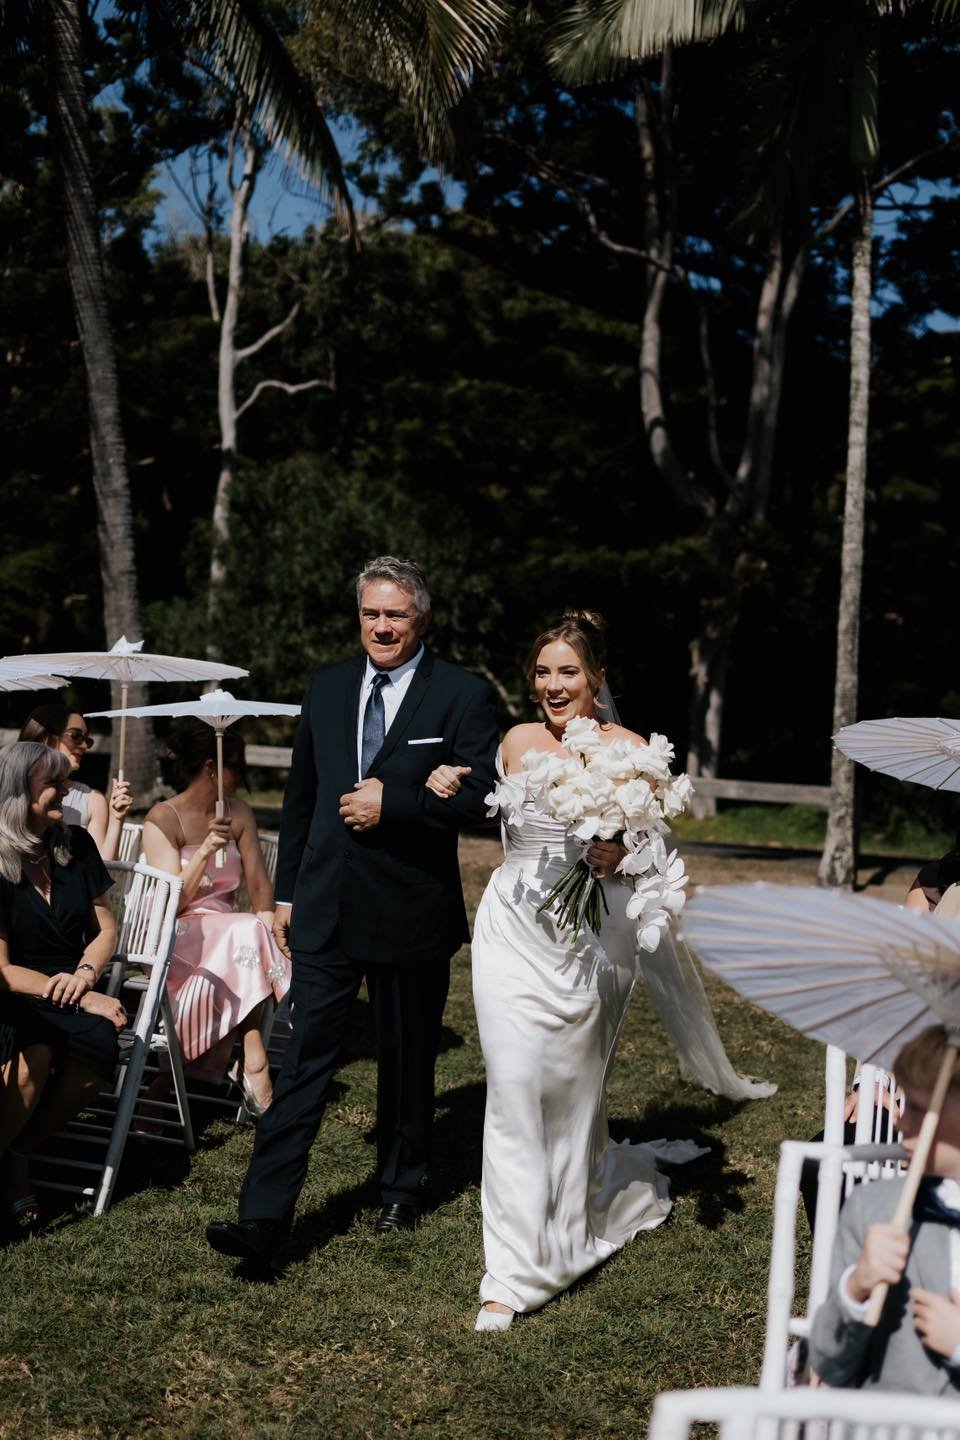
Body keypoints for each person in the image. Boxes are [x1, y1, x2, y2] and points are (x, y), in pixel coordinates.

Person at [424, 612, 716, 1332]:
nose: (554, 686)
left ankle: (585, 1191)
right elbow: (478, 803)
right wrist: (439, 779)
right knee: (517, 1087)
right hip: (515, 928)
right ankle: (513, 1271)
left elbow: (653, 862)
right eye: (544, 672)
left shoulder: (637, 755)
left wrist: (621, 855)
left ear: (597, 680)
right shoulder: (519, 742)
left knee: (576, 1093)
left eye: (569, 673)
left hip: (593, 939)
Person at [205, 556, 499, 1268]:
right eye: (372, 613)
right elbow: (304, 795)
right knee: (304, 1061)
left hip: (409, 912)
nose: (383, 626)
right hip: (327, 910)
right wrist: (285, 895)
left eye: (396, 615)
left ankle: (400, 1185)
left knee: (405, 1064)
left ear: (421, 620)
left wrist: (394, 802)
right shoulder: (329, 686)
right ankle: (265, 1216)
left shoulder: (461, 695)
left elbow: (485, 798)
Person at [0, 741, 126, 1230]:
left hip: (71, 985)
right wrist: (83, 993)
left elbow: (106, 928)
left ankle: (19, 1152)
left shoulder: (75, 843)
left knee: (100, 1048)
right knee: (35, 1059)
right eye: (51, 782)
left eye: (64, 778)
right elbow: (5, 970)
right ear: (16, 795)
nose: (66, 788)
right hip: (14, 992)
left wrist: (86, 975)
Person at [140, 721, 289, 1116]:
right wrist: (205, 848)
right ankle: (252, 1058)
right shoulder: (163, 817)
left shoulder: (238, 812)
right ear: (212, 767)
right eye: (236, 766)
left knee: (254, 928)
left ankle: (169, 1084)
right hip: (176, 931)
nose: (242, 777)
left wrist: (270, 924)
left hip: (230, 933)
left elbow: (258, 884)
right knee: (245, 931)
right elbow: (174, 901)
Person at [810, 1024, 960, 1395]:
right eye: (907, 1103)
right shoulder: (872, 1207)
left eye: (920, 1109)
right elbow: (829, 1363)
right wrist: (856, 1287)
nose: (900, 1120)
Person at [19, 705, 132, 862]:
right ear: (46, 738)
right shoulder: (11, 787)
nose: (84, 745)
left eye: (87, 740)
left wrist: (117, 819)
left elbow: (102, 870)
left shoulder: (92, 800)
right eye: (75, 736)